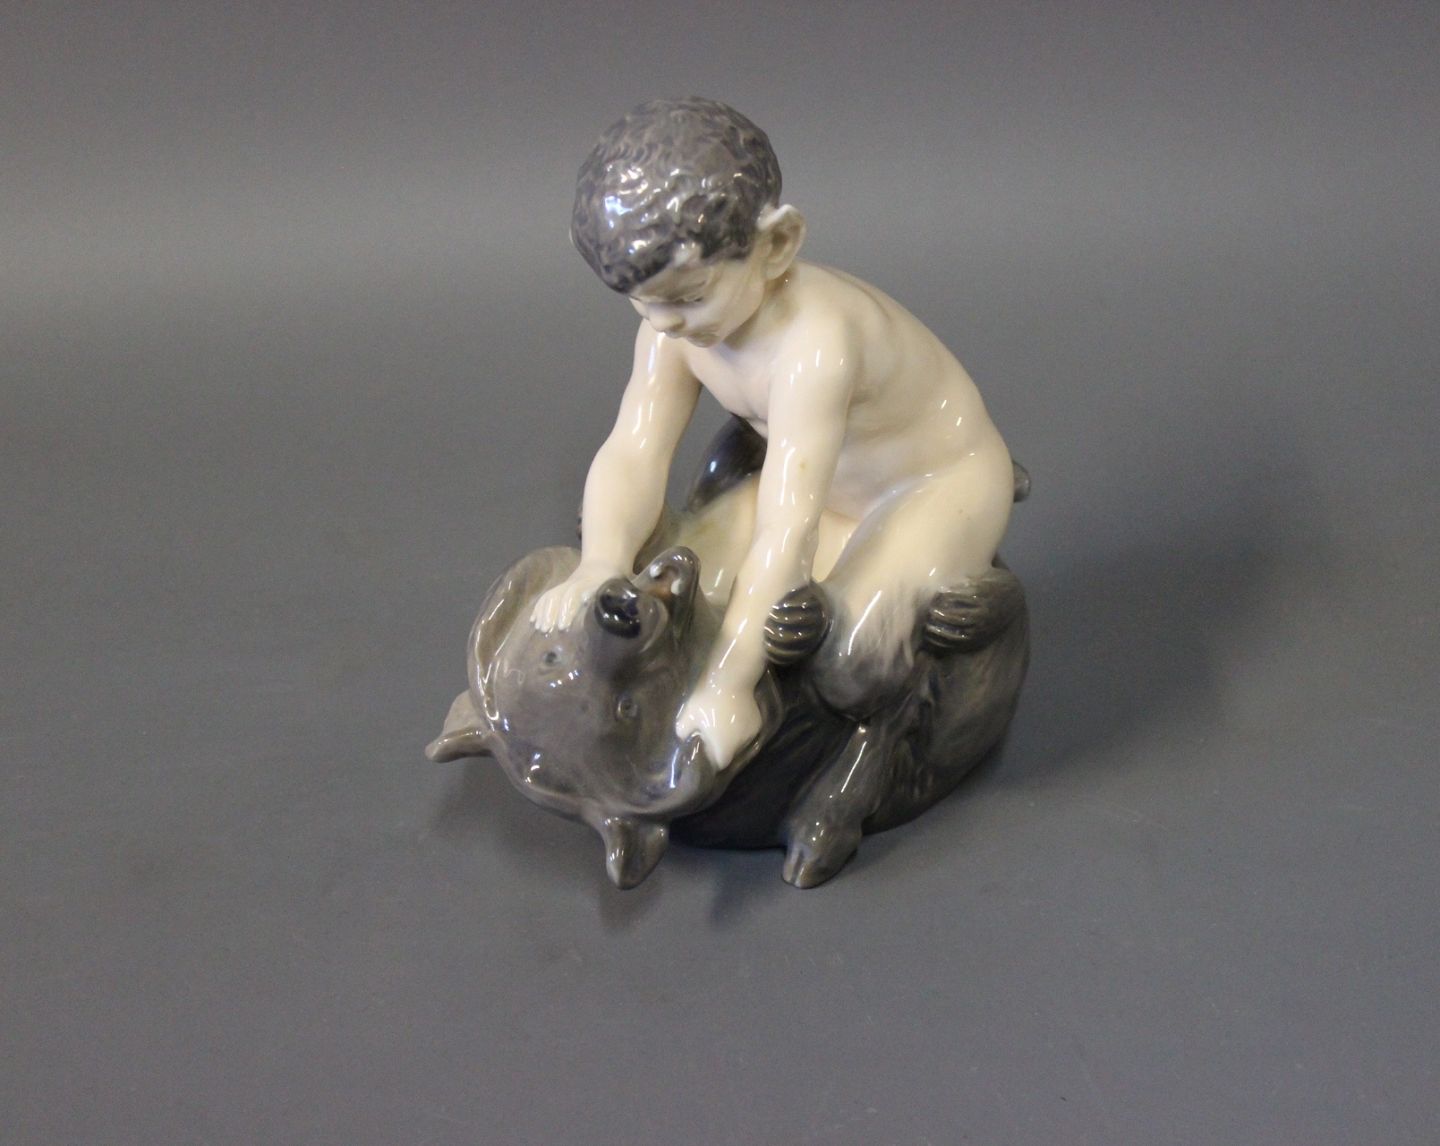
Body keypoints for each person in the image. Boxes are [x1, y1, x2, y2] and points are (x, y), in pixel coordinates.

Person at [531, 97, 1016, 770]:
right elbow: (635, 450)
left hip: (934, 484)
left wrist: (729, 686)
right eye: (644, 303)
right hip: (829, 490)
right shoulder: (672, 329)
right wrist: (601, 564)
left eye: (689, 296)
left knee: (850, 665)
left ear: (776, 244)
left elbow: (788, 529)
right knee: (686, 597)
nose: (665, 323)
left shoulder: (813, 346)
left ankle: (983, 607)